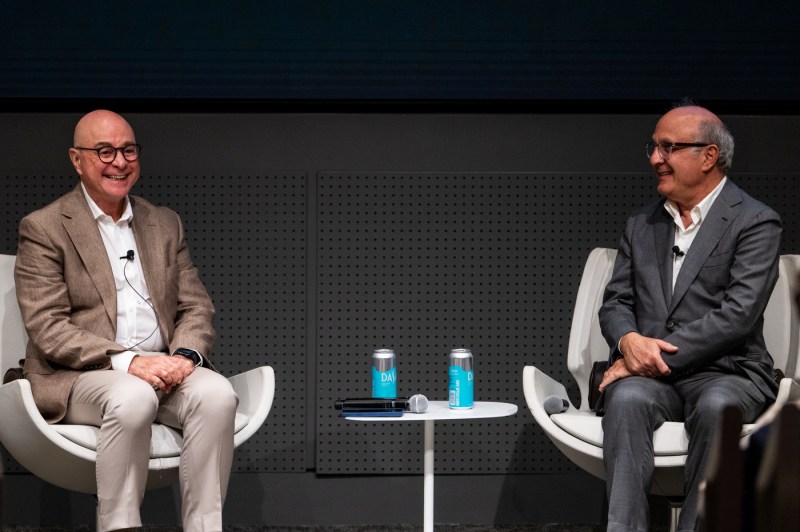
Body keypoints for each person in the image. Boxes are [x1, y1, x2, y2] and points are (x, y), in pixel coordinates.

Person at [14, 109, 238, 532]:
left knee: (217, 395)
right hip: (81, 374)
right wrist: (129, 362)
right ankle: (119, 526)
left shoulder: (164, 223)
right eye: (104, 151)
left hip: (164, 368)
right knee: (133, 397)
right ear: (76, 159)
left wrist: (186, 357)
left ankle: (205, 527)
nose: (119, 162)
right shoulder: (44, 227)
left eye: (128, 150)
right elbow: (47, 328)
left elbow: (195, 306)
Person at [597, 103, 781, 532]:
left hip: (727, 372)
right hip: (654, 379)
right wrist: (628, 343)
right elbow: (615, 302)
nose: (655, 158)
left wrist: (647, 357)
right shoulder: (641, 224)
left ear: (708, 156)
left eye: (668, 147)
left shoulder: (755, 221)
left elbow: (736, 317)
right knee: (625, 400)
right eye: (654, 147)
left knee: (719, 406)